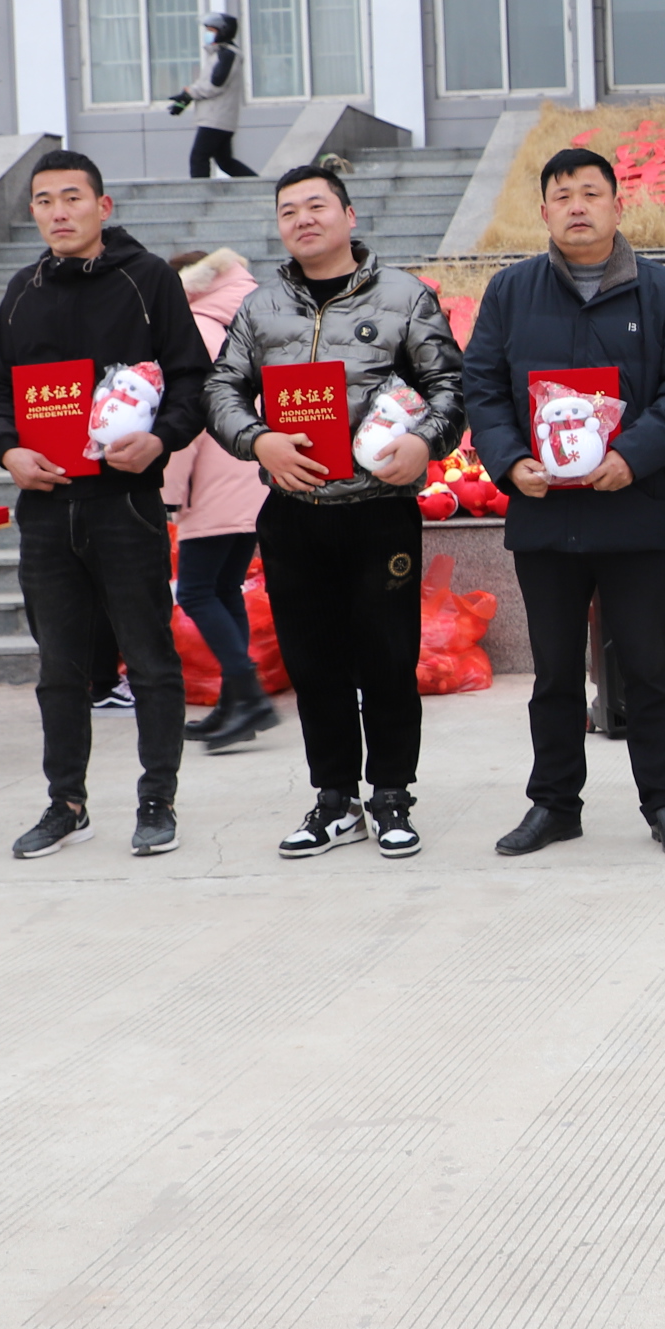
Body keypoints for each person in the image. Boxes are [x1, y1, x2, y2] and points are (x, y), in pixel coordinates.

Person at [204, 166, 466, 859]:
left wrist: (424, 443)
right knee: (312, 663)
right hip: (294, 512)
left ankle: (391, 794)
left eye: (316, 205)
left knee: (387, 659)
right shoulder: (260, 308)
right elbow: (222, 389)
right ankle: (335, 799)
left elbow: (450, 384)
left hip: (378, 513)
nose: (303, 219)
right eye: (288, 210)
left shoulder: (404, 296)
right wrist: (257, 438)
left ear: (349, 215)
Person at [463, 147, 665, 859]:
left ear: (617, 205)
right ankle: (554, 804)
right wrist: (510, 460)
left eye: (591, 193)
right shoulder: (511, 292)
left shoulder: (664, 292)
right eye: (563, 195)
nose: (577, 206)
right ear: (544, 211)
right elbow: (482, 385)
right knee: (553, 674)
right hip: (546, 517)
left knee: (649, 667)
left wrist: (631, 456)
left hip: (635, 513)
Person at [0, 149, 212, 861]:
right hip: (48, 509)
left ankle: (157, 799)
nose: (59, 212)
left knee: (149, 657)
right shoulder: (22, 290)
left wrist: (161, 440)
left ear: (102, 207)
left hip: (126, 503)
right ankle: (66, 803)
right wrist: (9, 452)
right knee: (59, 667)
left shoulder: (148, 280)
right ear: (33, 212)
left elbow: (192, 380)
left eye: (73, 197)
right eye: (45, 200)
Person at [165, 248, 278, 752]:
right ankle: (236, 703)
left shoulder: (196, 329)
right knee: (224, 588)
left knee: (194, 591)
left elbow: (187, 421)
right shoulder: (247, 320)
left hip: (213, 481)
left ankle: (250, 696)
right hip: (251, 473)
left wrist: (168, 492)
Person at [172, 13, 255, 178]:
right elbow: (208, 83)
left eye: (211, 30)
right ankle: (261, 187)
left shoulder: (227, 55)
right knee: (225, 162)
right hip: (218, 116)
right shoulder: (219, 55)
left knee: (199, 158)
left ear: (223, 31)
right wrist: (186, 96)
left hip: (216, 118)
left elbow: (216, 85)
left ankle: (201, 193)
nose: (208, 34)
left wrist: (190, 93)